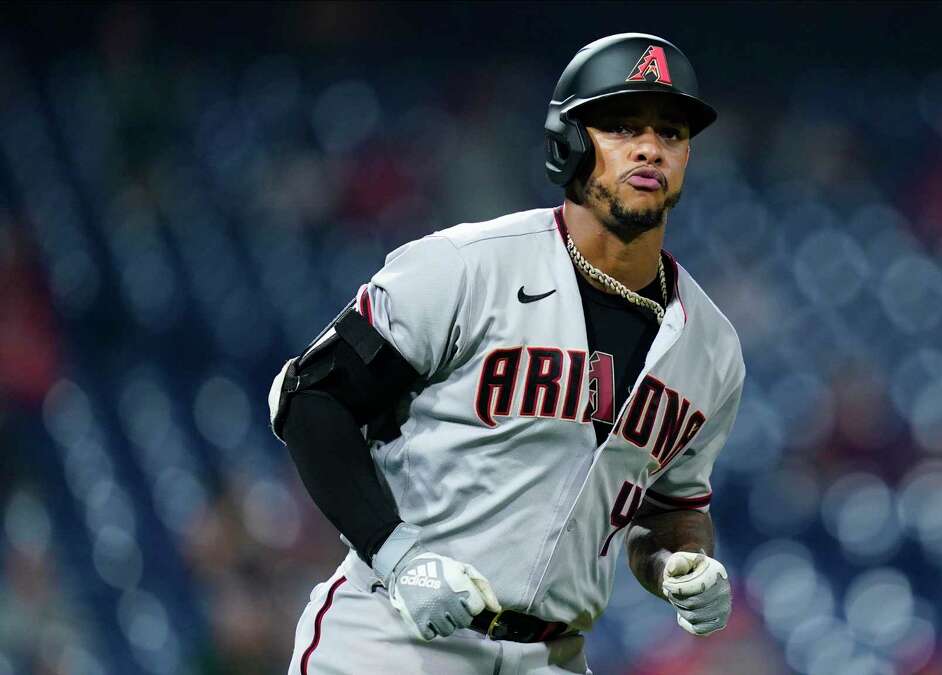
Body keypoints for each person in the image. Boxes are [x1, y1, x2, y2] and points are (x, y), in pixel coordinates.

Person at [268, 32, 745, 674]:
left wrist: (679, 566)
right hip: (394, 641)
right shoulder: (466, 268)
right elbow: (310, 397)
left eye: (671, 132)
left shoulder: (711, 347)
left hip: (552, 655)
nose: (649, 147)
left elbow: (669, 509)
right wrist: (396, 552)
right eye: (621, 125)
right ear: (568, 143)